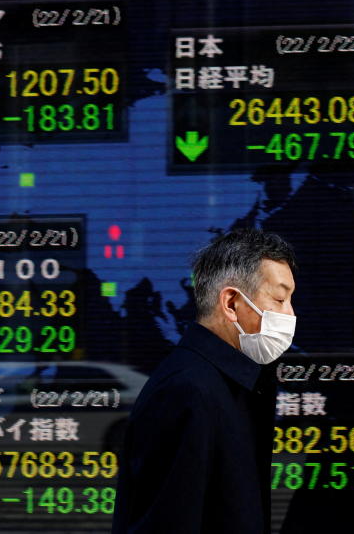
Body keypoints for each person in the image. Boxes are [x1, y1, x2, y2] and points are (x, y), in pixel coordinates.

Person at [112, 229, 297, 534]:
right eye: (279, 298)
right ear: (231, 303)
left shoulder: (230, 383)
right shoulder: (186, 391)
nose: (289, 314)